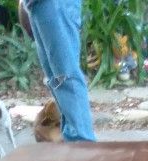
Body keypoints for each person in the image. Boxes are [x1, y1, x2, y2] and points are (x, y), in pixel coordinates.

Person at [19, 0, 95, 142]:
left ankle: (82, 143)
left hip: (54, 4)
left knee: (65, 76)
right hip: (37, 5)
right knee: (56, 79)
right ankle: (73, 138)